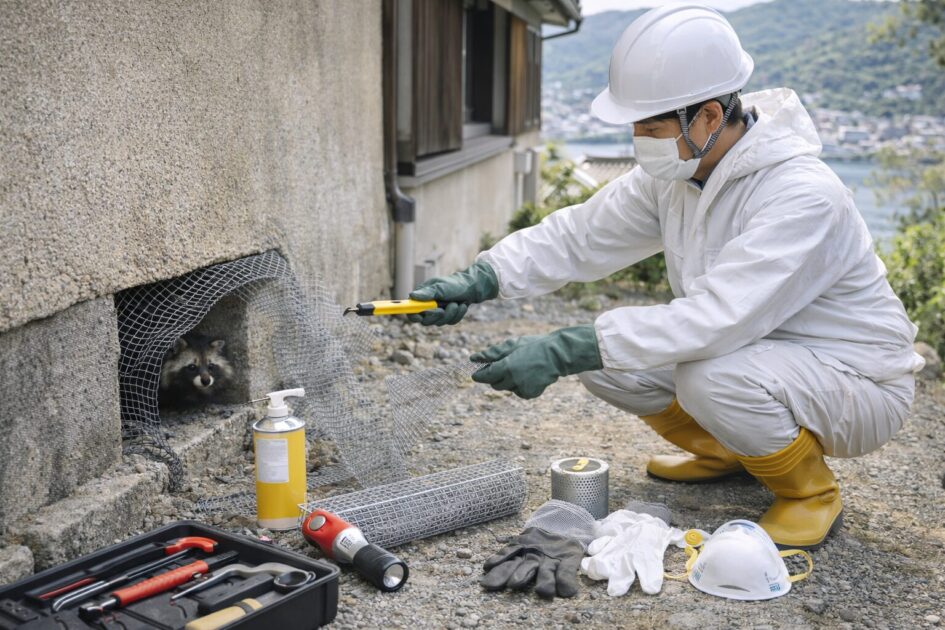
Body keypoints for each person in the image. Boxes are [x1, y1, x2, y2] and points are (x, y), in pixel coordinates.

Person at [408, 4, 923, 549]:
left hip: (855, 382)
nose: (638, 138)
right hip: (756, 355)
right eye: (635, 124)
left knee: (699, 374)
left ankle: (808, 492)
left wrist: (563, 347)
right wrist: (483, 276)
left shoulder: (800, 194)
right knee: (609, 366)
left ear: (707, 116)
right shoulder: (677, 175)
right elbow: (581, 234)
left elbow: (718, 319)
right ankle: (731, 451)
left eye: (651, 125)